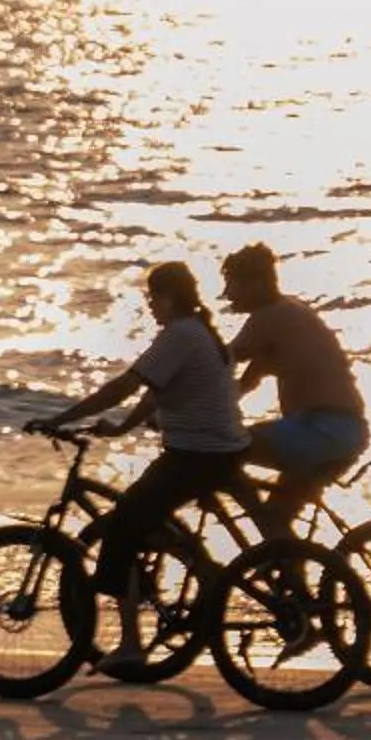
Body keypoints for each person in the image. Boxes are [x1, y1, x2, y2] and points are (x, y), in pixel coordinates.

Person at [40, 261, 249, 676]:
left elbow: (125, 386)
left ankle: (133, 645)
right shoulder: (197, 332)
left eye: (153, 297)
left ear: (168, 297)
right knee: (138, 521)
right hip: (211, 452)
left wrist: (60, 418)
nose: (151, 306)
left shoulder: (181, 335)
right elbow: (155, 395)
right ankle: (181, 586)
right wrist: (120, 429)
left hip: (196, 456)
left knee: (121, 527)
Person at [220, 243, 370, 537]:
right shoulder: (289, 313)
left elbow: (219, 362)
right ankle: (294, 577)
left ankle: (281, 561)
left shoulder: (269, 316)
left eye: (233, 286)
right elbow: (245, 383)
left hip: (324, 430)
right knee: (276, 523)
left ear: (257, 283)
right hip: (344, 432)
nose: (228, 295)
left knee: (229, 447)